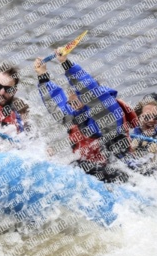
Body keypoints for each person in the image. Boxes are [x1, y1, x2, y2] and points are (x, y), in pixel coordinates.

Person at [34, 49, 137, 183]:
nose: (72, 106)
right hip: (95, 173)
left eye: (75, 101)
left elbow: (89, 89)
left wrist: (66, 64)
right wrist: (43, 77)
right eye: (70, 103)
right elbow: (57, 108)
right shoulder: (77, 114)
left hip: (122, 174)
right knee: (76, 166)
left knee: (78, 167)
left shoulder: (108, 110)